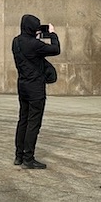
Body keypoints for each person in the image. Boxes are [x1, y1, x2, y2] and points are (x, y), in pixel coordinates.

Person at [12, 14, 61, 170]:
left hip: (22, 86)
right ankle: (29, 158)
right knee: (34, 123)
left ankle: (19, 156)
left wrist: (36, 37)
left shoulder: (16, 42)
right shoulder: (34, 44)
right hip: (35, 88)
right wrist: (52, 34)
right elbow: (56, 49)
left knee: (23, 120)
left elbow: (30, 51)